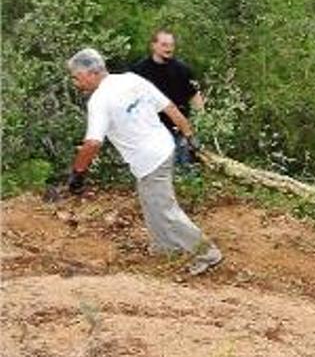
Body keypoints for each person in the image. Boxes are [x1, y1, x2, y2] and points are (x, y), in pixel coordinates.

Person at [66, 48, 222, 276]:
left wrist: (78, 173)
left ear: (91, 73)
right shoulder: (131, 80)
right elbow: (169, 107)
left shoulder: (99, 100)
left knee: (165, 210)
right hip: (162, 148)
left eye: (76, 77)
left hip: (150, 159)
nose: (76, 83)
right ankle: (164, 247)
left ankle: (207, 252)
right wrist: (190, 137)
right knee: (150, 202)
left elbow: (92, 144)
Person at [131, 29, 205, 167]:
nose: (169, 49)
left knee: (183, 170)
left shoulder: (183, 69)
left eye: (171, 45)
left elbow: (195, 96)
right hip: (150, 131)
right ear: (154, 45)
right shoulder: (139, 70)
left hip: (179, 129)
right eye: (164, 45)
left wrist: (201, 123)